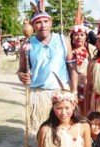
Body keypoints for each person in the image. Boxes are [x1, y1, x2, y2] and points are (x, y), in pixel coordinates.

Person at [17, 3, 78, 133]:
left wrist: (74, 91)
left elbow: (72, 67)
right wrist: (23, 76)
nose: (43, 25)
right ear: (33, 26)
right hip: (38, 93)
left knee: (63, 130)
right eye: (38, 22)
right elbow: (21, 70)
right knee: (43, 130)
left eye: (46, 21)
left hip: (61, 92)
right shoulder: (27, 44)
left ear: (51, 23)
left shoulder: (63, 40)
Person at [70, 1, 96, 115]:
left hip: (88, 85)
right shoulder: (68, 51)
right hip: (73, 85)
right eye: (76, 35)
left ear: (86, 36)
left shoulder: (92, 49)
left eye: (82, 35)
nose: (79, 37)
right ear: (72, 37)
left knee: (88, 110)